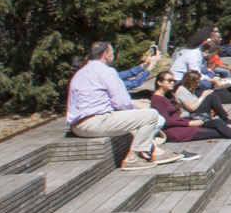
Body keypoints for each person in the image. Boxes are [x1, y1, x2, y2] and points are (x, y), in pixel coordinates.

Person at [67, 41, 183, 170]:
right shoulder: (106, 71)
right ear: (106, 54)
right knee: (150, 115)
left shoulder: (80, 73)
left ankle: (156, 152)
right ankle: (132, 158)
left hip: (78, 125)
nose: (113, 56)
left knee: (135, 119)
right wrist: (136, 111)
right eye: (112, 53)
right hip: (94, 122)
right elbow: (122, 102)